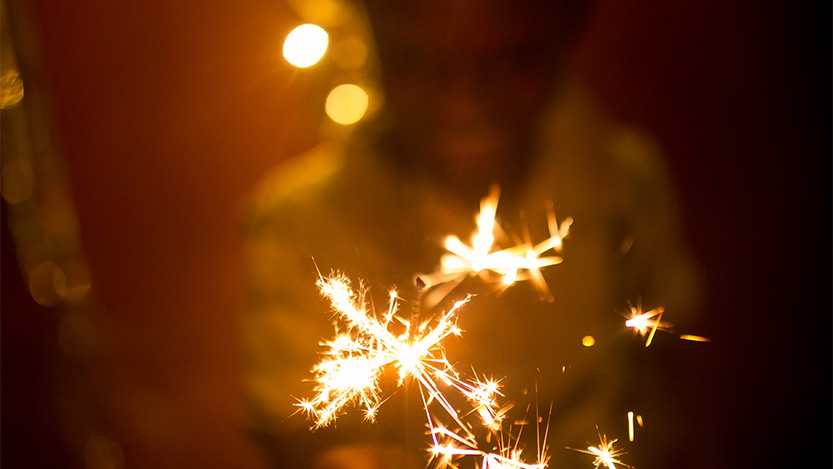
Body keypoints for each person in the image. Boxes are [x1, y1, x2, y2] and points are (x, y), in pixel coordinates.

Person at [242, 1, 700, 467]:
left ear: (563, 40)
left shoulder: (624, 188)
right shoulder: (302, 225)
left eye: (509, 61)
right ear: (376, 46)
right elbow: (299, 436)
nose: (463, 101)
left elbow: (672, 394)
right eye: (418, 62)